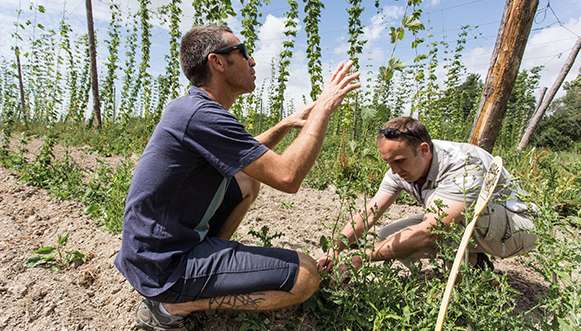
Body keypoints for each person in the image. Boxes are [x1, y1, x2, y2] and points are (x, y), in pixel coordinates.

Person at [114, 25, 360, 330]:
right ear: (217, 62)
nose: (252, 61)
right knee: (306, 277)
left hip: (152, 253)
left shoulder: (194, 109)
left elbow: (245, 156)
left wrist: (284, 124)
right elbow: (288, 177)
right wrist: (323, 108)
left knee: (246, 181)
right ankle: (172, 304)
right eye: (243, 52)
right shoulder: (200, 114)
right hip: (163, 264)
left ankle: (205, 269)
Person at [318, 116, 537, 272]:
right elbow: (369, 212)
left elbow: (432, 230)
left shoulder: (462, 163)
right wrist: (336, 248)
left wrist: (364, 256)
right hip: (480, 225)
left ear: (424, 149)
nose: (394, 170)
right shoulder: (399, 168)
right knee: (388, 235)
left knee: (440, 221)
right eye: (388, 162)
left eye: (399, 161)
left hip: (518, 229)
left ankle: (466, 281)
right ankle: (475, 266)